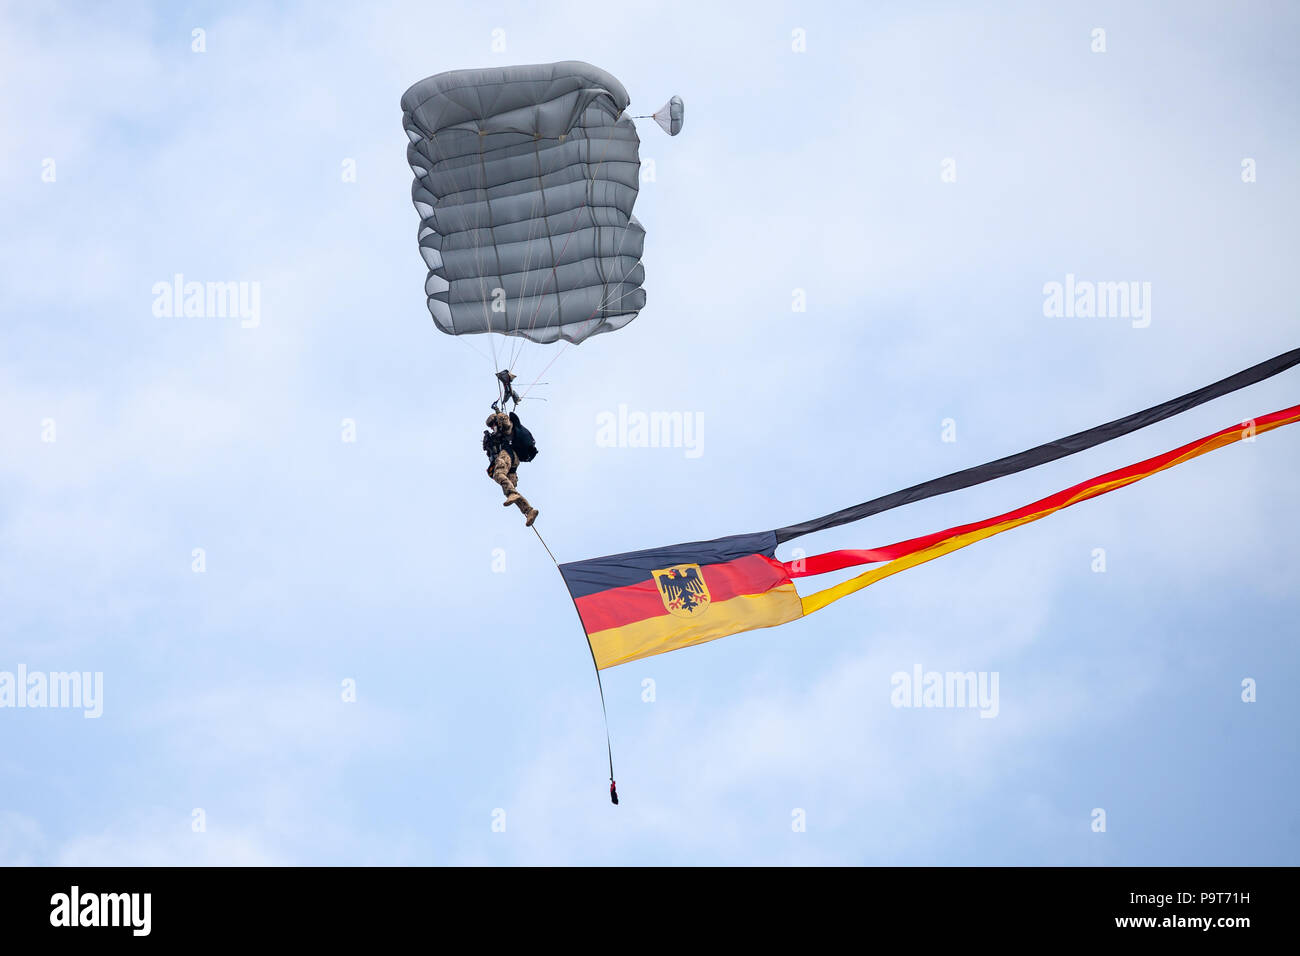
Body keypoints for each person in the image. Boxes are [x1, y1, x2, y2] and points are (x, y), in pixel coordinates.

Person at [483, 409, 539, 527]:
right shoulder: (499, 435)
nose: (492, 428)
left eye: (493, 424)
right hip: (514, 462)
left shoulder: (506, 424)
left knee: (498, 474)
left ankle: (513, 495)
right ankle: (529, 511)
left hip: (508, 454)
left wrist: (498, 415)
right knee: (509, 490)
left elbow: (505, 422)